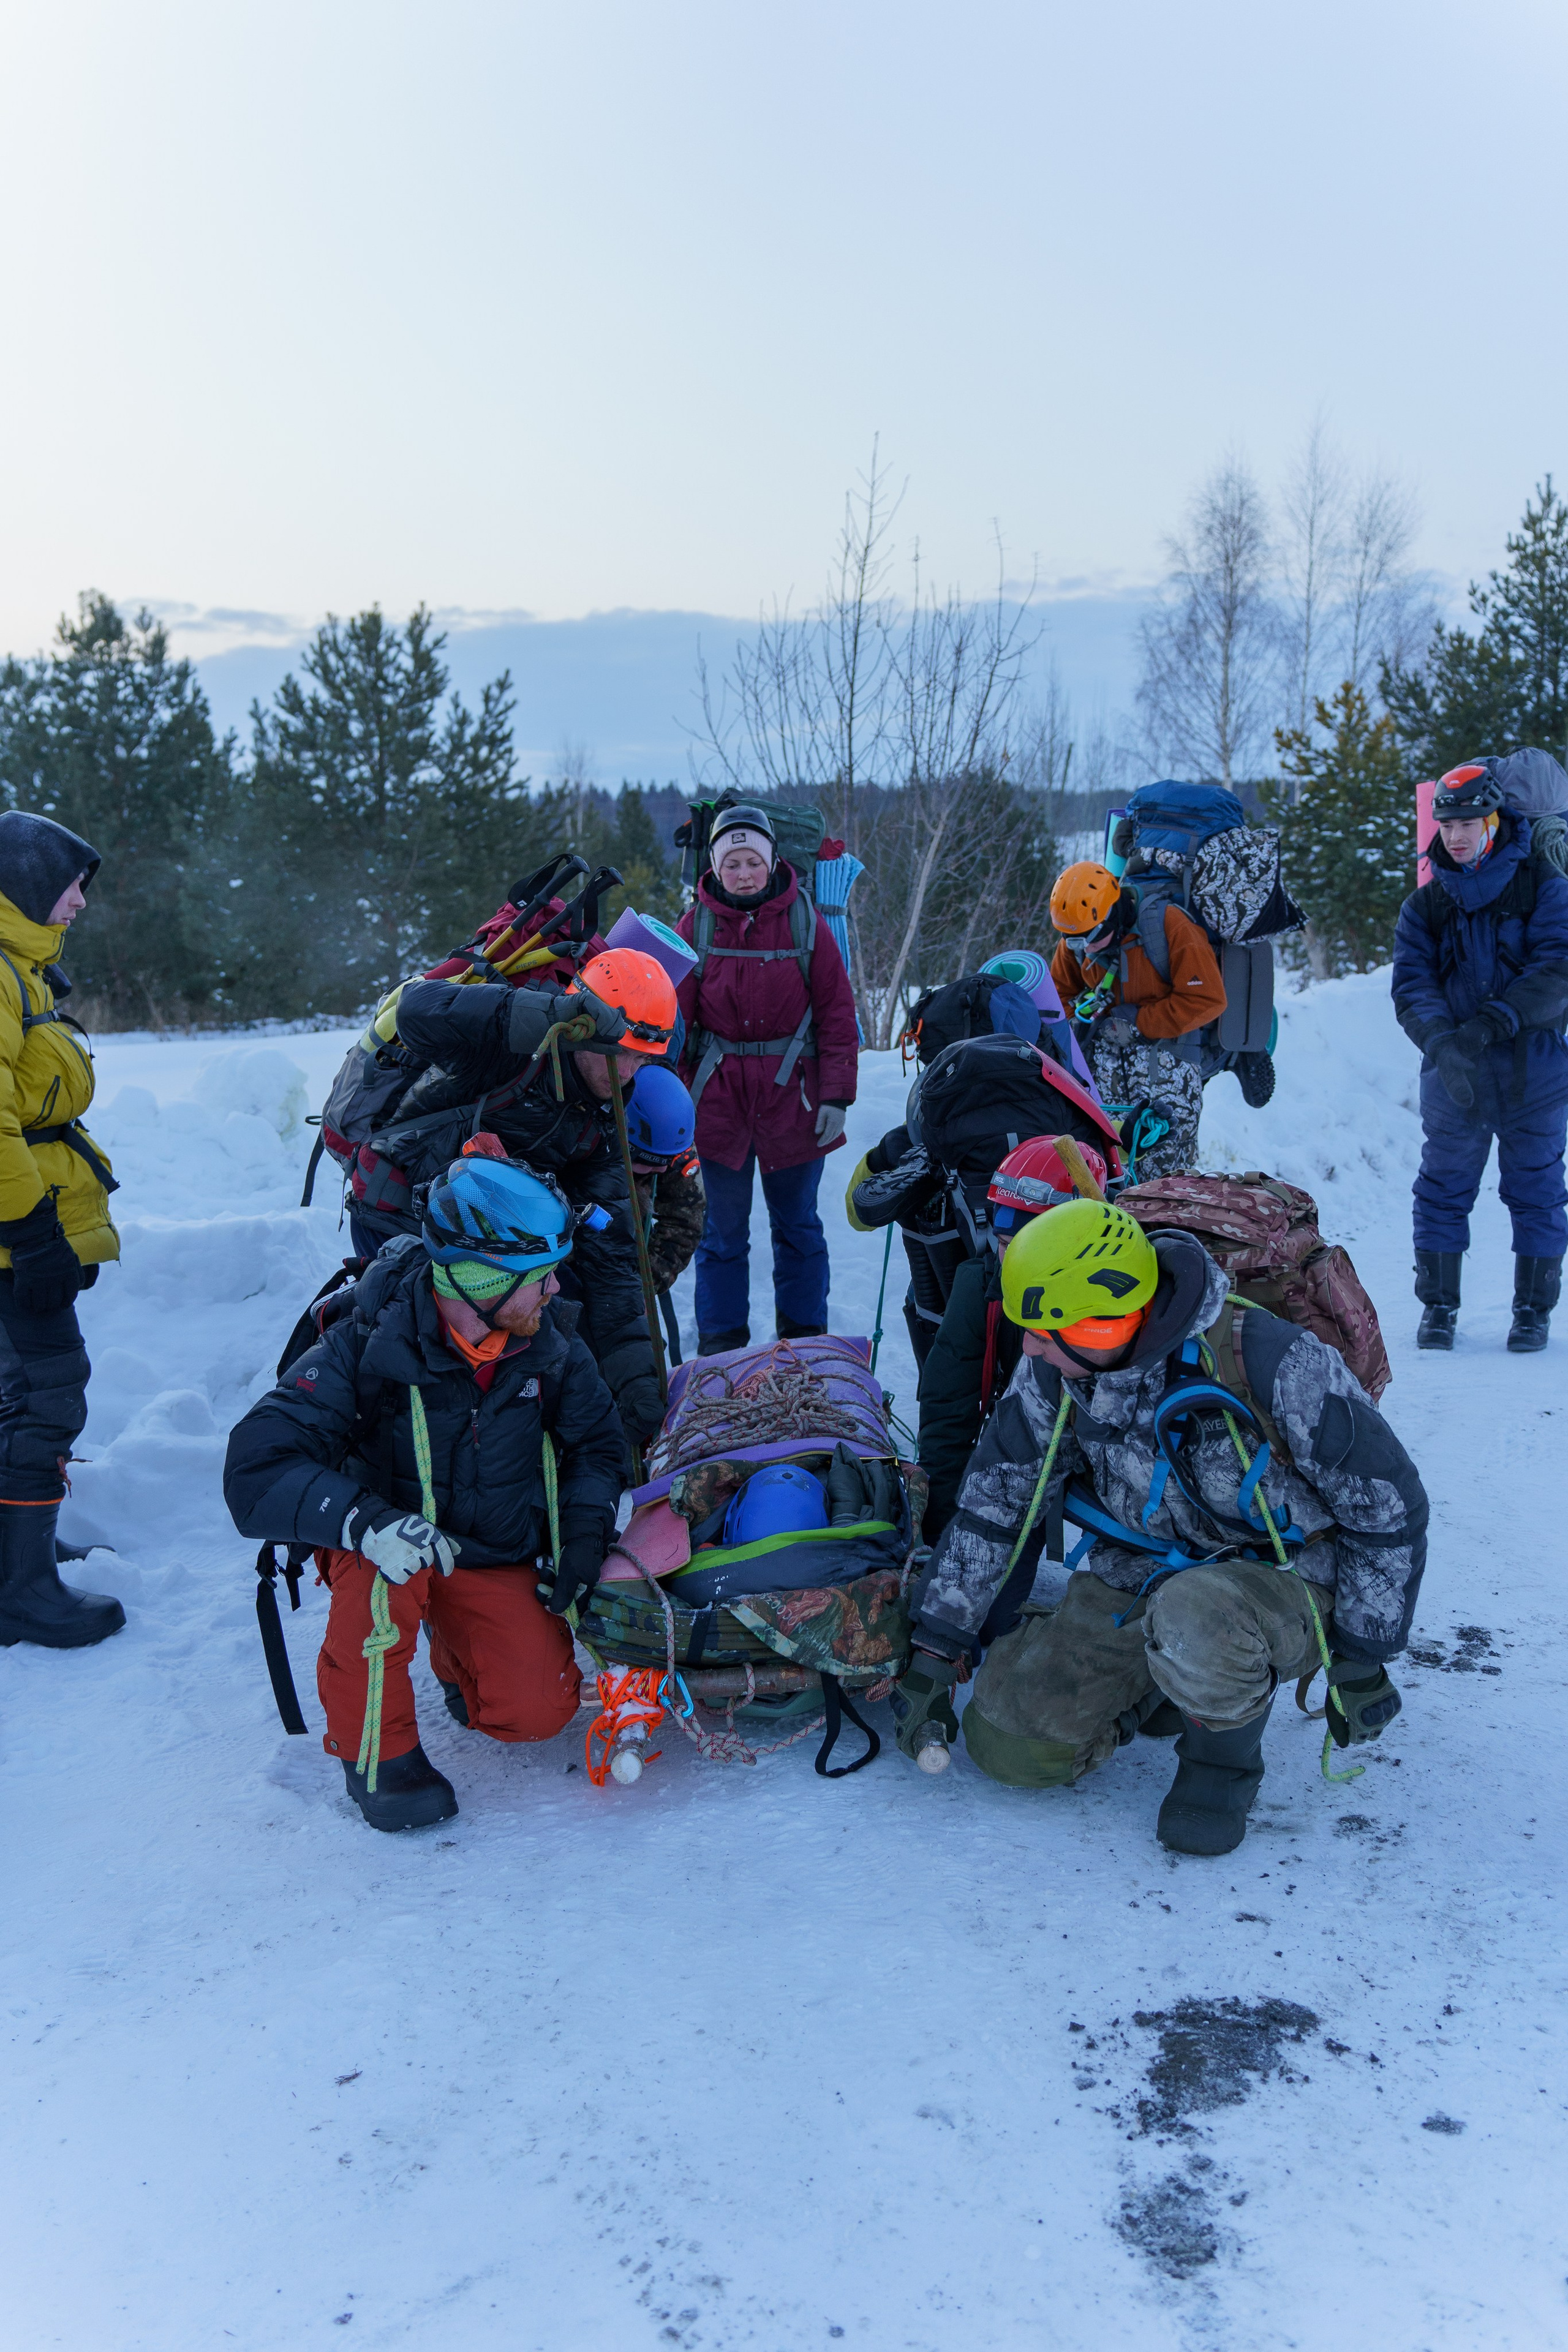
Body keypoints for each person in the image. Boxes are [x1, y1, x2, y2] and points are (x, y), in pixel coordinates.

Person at [891, 1199, 1425, 1856]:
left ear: (1095, 1323)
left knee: (1195, 1616)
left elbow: (1386, 1502)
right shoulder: (1057, 1375)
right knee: (1011, 1744)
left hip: (1287, 1581)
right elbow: (997, 1500)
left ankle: (1221, 1768)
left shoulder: (1269, 1359)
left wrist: (1363, 1652)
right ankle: (1162, 1684)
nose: (1027, 1345)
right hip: (1140, 1575)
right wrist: (937, 1647)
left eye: (1041, 1328)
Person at [224, 1154, 624, 1832]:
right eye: (538, 1276)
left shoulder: (548, 1343)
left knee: (536, 1714)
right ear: (480, 1278)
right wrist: (364, 1522)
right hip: (383, 1546)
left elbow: (598, 1445)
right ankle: (378, 1756)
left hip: (487, 1550)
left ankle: (454, 1646)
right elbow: (255, 1465)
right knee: (385, 1586)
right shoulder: (367, 1343)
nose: (556, 1287)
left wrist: (584, 1532)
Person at [350, 947, 679, 1452]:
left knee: (534, 1317)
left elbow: (612, 1259)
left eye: (644, 1058)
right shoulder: (512, 1041)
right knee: (422, 1351)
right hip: (399, 1214)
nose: (632, 1071)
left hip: (483, 1229)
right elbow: (416, 1010)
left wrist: (635, 1378)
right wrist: (545, 1016)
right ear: (586, 1028)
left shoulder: (604, 1118)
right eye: (625, 1053)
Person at [0, 811, 124, 1651]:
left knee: (17, 1391)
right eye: (70, 885)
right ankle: (22, 1592)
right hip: (15, 1233)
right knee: (50, 1392)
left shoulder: (23, 972)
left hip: (23, 1228)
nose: (79, 904)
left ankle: (20, 1548)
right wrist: (35, 1234)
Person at [1392, 761, 1568, 1352]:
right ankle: (1438, 1310)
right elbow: (1412, 985)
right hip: (1454, 1076)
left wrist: (1492, 1024)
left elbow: (1558, 970)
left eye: (1468, 821)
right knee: (1441, 1186)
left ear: (1495, 819)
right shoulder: (1426, 906)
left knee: (1538, 1188)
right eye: (1446, 825)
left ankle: (1532, 1313)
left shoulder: (1544, 884)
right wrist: (1444, 1044)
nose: (1456, 835)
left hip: (1534, 1071)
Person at [675, 804, 858, 1354]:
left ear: (773, 859)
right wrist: (671, 1105)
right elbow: (673, 1023)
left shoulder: (805, 921)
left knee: (799, 1230)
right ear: (715, 867)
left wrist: (837, 1097)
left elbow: (836, 1013)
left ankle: (804, 1344)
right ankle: (721, 1350)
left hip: (793, 1100)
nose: (745, 873)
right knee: (722, 1236)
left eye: (753, 860)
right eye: (733, 863)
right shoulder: (695, 926)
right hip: (718, 1105)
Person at [916, 1135, 1108, 1544]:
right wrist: (940, 1532)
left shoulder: (1119, 1298)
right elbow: (947, 1410)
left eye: (1031, 1244)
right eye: (1005, 1244)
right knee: (995, 1603)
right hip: (1021, 1462)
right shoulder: (983, 1287)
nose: (1012, 1260)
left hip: (1116, 1474)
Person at [1049, 861, 1225, 1180]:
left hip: (1169, 1061)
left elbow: (1208, 998)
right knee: (1109, 1158)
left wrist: (1141, 1022)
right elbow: (1056, 998)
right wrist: (1080, 1016)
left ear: (1112, 915)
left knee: (1168, 1166)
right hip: (1105, 1067)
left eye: (1091, 937)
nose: (1084, 948)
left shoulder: (1169, 926)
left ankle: (1170, 1225)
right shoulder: (1077, 939)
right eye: (1073, 941)